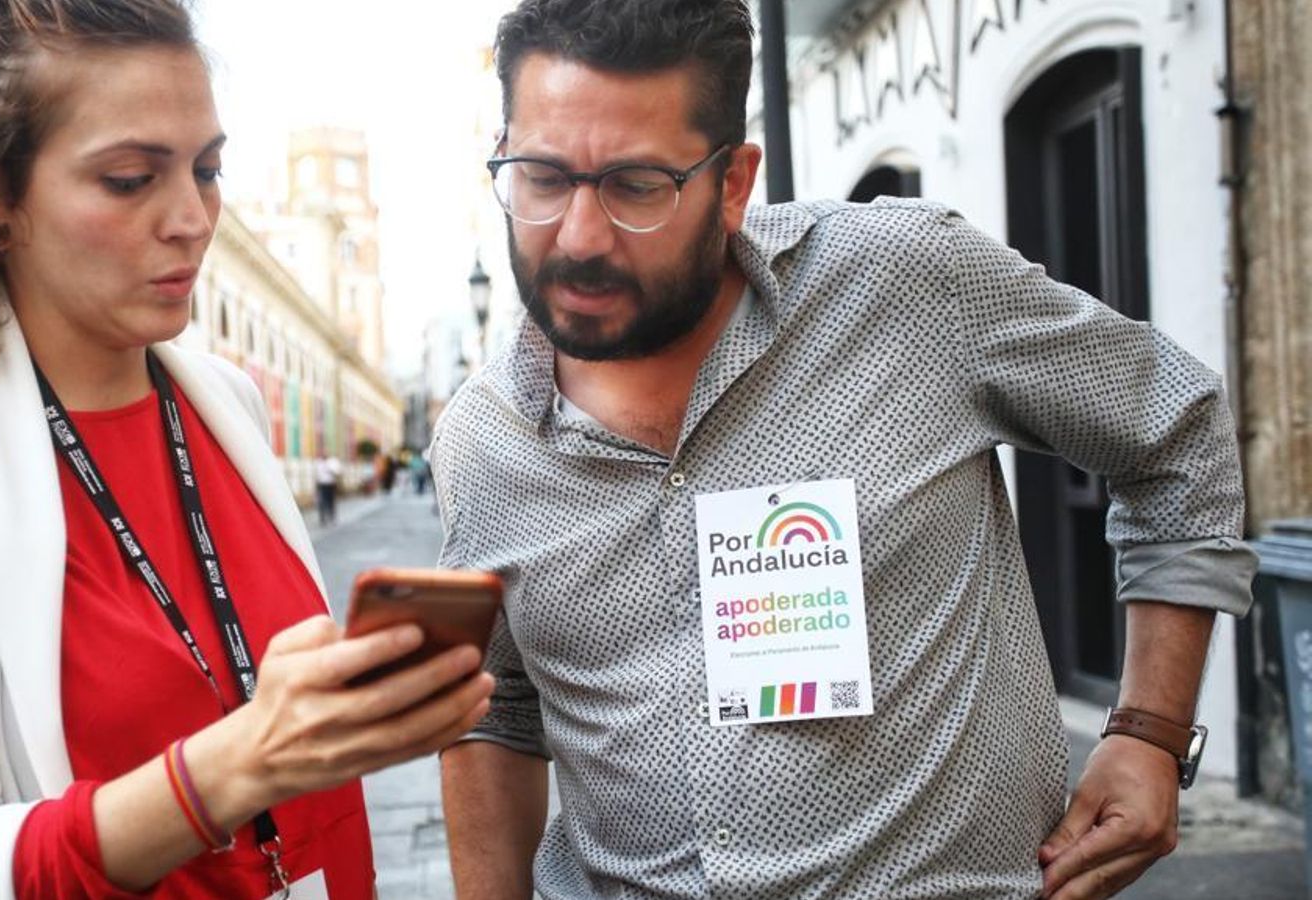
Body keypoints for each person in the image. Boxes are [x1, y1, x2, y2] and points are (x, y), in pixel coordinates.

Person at [429, 1, 1258, 898]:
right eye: (543, 176)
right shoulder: (483, 442)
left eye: (638, 186)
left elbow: (1173, 432)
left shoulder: (907, 282)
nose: (580, 238)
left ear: (734, 183)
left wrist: (1149, 732)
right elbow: (496, 707)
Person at [0, 2, 492, 898]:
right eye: (127, 179)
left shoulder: (222, 403)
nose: (192, 217)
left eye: (208, 168)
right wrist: (233, 769)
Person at [315, 455, 342, 526]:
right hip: (321, 485)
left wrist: (330, 469)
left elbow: (337, 472)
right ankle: (322, 519)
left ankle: (332, 517)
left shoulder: (333, 462)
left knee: (331, 502)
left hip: (330, 485)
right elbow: (317, 475)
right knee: (321, 502)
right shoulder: (318, 462)